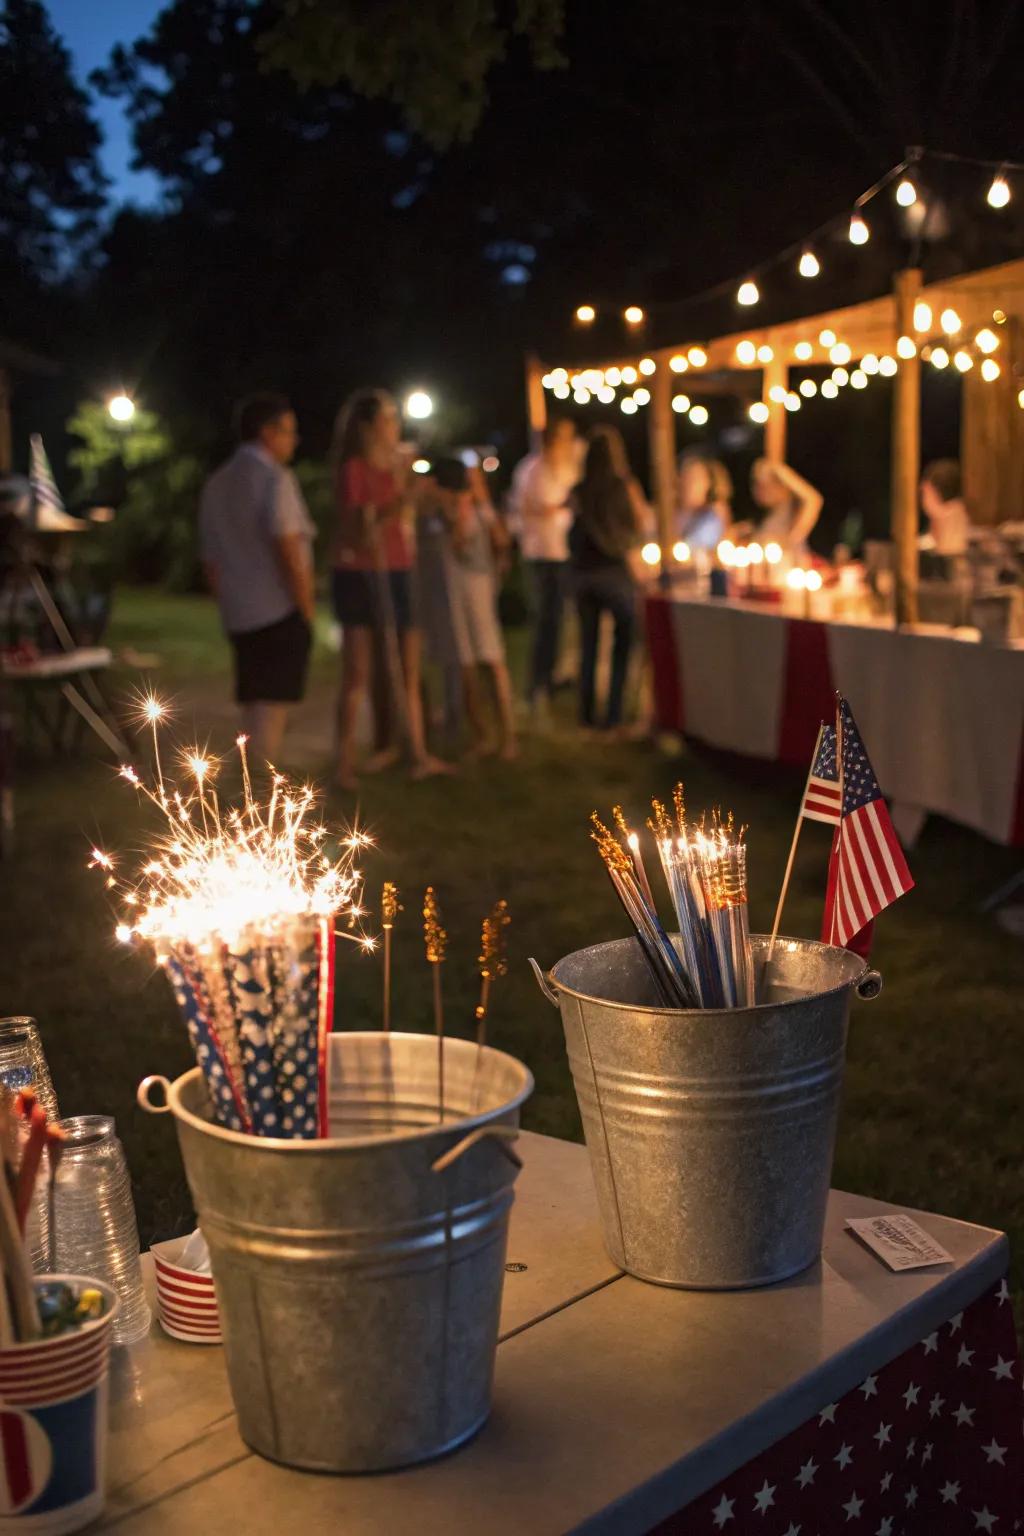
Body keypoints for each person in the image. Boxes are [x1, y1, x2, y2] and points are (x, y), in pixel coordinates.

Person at [331, 389, 449, 789]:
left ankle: (417, 752)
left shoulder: (399, 465)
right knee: (358, 671)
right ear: (368, 426)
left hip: (400, 569)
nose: (395, 424)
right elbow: (361, 531)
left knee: (409, 667)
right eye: (388, 417)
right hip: (362, 572)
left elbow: (421, 508)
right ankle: (342, 764)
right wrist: (402, 500)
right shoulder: (355, 469)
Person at [200, 393, 314, 763]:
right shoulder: (274, 480)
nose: (293, 441)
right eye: (288, 432)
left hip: (238, 610)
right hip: (276, 607)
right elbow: (288, 547)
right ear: (267, 433)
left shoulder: (216, 483)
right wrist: (305, 606)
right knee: (273, 703)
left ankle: (250, 782)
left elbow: (211, 561)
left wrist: (227, 605)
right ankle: (262, 790)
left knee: (252, 700)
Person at [433, 456, 518, 759]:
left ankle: (507, 736)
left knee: (491, 661)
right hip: (455, 594)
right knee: (466, 664)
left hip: (479, 593)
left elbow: (502, 542)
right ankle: (481, 733)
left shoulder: (483, 511)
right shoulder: (444, 510)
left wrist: (480, 505)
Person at [569, 426, 643, 732]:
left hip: (584, 576)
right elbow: (638, 525)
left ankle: (587, 715)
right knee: (622, 645)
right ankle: (613, 715)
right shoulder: (623, 487)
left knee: (588, 646)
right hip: (614, 574)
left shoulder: (579, 490)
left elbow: (572, 533)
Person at [507, 417, 580, 720]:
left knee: (560, 619)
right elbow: (524, 507)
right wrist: (557, 507)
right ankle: (536, 684)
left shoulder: (567, 469)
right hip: (540, 553)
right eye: (562, 438)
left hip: (564, 552)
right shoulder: (531, 470)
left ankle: (554, 677)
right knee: (544, 620)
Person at [749, 458, 822, 554]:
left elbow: (813, 500)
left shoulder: (791, 518)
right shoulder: (764, 519)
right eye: (757, 484)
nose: (759, 490)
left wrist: (779, 469)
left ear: (782, 486)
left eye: (766, 486)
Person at [676, 453, 733, 550]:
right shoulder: (677, 514)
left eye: (695, 479)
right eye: (686, 479)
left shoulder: (716, 513)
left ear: (709, 484)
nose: (689, 485)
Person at [920, 459, 971, 556]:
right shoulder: (955, 515)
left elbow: (948, 552)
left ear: (933, 492)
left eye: (925, 493)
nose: (922, 499)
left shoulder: (951, 523)